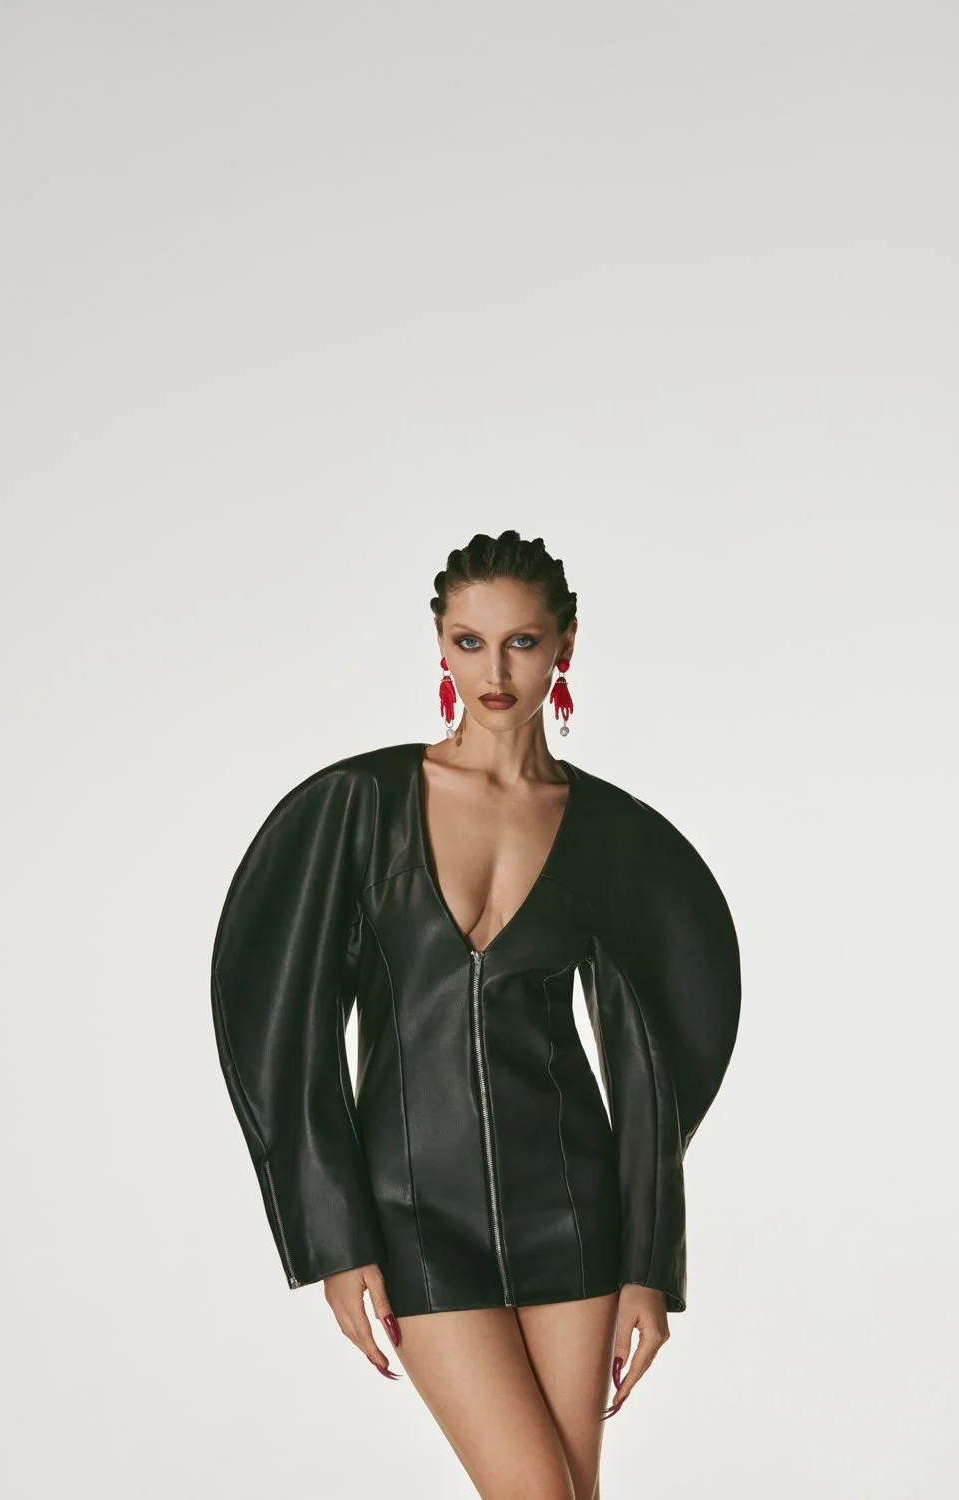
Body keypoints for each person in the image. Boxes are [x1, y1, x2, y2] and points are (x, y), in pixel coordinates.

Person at [210, 528, 741, 1499]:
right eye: (468, 641)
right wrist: (334, 1233)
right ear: (441, 646)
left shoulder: (605, 834)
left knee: (570, 1494)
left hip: (573, 1206)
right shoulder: (358, 807)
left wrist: (646, 1264)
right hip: (415, 1212)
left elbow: (646, 1054)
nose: (493, 671)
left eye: (521, 643)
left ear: (564, 646)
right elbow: (283, 1017)